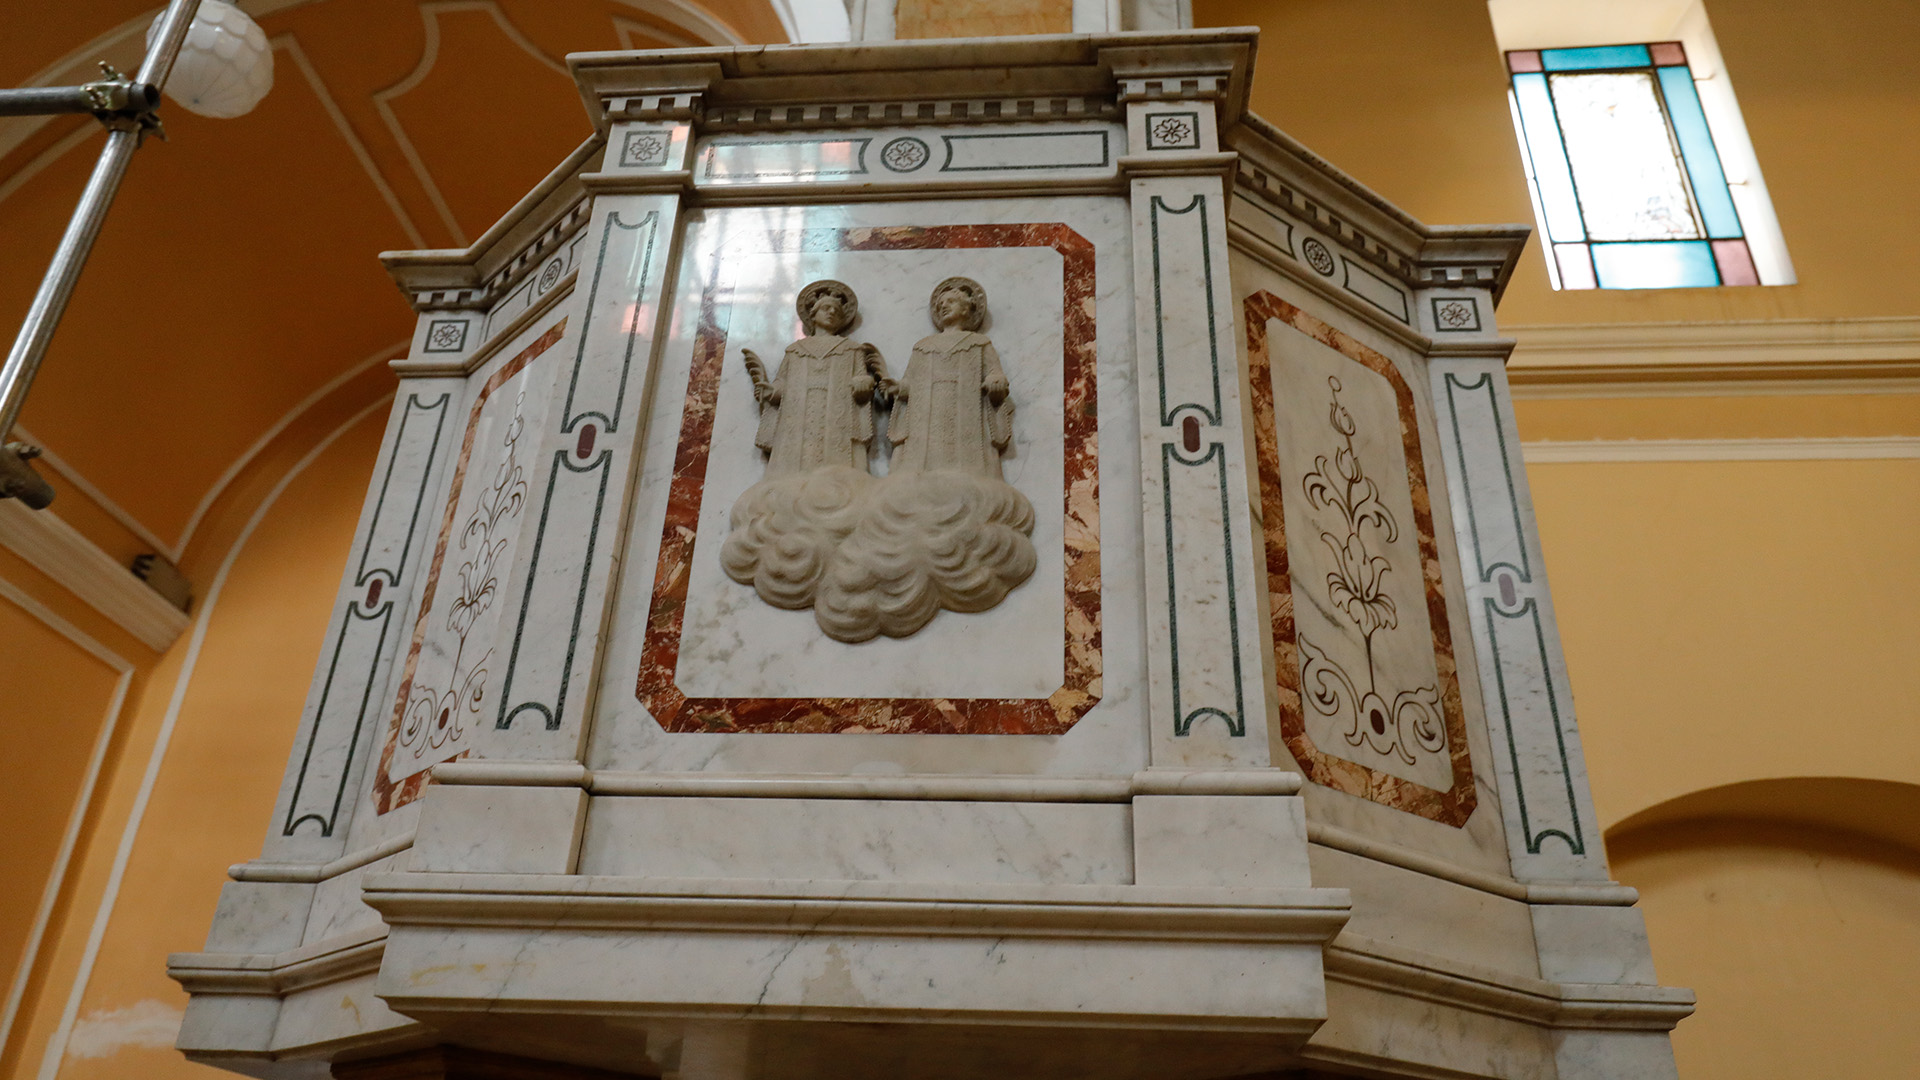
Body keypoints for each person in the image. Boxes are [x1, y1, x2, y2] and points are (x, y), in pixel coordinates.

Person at [741, 280, 889, 476]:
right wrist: (772, 390)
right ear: (813, 314)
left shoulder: (851, 349)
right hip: (799, 416)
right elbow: (783, 383)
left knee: (838, 469)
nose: (831, 313)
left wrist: (864, 383)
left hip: (836, 415)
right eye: (826, 308)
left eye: (837, 311)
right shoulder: (795, 350)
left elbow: (862, 379)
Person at [888, 276, 1014, 477]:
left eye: (951, 302)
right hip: (929, 413)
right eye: (940, 304)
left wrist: (995, 382)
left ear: (965, 309)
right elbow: (910, 381)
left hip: (965, 411)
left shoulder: (979, 343)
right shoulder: (923, 346)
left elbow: (995, 374)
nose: (944, 306)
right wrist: (897, 387)